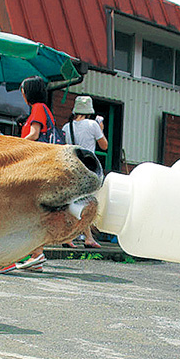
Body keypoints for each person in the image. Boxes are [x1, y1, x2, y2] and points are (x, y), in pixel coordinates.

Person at [14, 75, 61, 271]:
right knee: (33, 210)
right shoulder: (45, 109)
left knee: (28, 209)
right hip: (43, 165)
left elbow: (34, 133)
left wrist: (15, 145)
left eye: (23, 91)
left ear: (29, 92)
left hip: (36, 165)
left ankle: (33, 254)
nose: (22, 95)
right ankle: (36, 255)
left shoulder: (38, 108)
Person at [61, 95, 107, 248]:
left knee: (73, 202)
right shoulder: (93, 125)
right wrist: (101, 129)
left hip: (71, 167)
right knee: (88, 203)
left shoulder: (66, 127)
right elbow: (104, 146)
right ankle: (86, 238)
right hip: (88, 168)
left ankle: (76, 237)